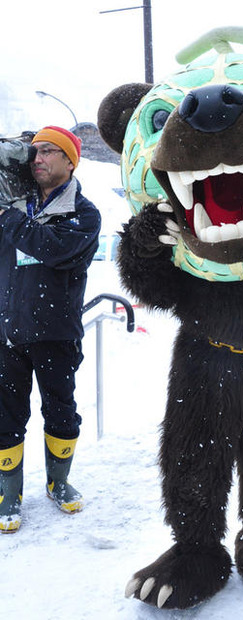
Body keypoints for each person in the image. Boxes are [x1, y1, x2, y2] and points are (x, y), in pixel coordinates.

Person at [0, 126, 101, 533]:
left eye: (47, 152)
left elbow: (52, 248)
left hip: (56, 334)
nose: (37, 158)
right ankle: (9, 492)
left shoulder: (84, 213)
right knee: (6, 416)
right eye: (34, 152)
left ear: (69, 161)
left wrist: (7, 214)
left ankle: (58, 483)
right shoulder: (15, 202)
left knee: (60, 412)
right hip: (7, 333)